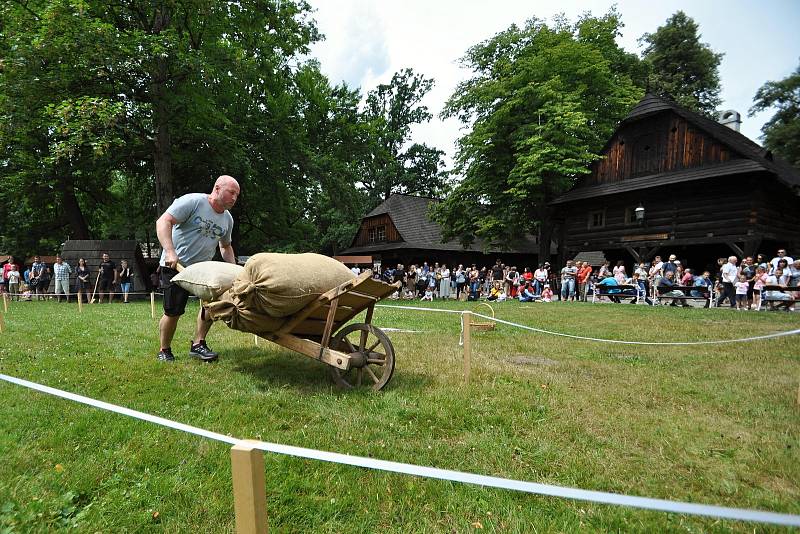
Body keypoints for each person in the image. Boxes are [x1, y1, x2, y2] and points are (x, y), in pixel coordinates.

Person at [155, 175, 240, 362]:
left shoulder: (228, 219)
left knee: (210, 306)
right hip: (175, 266)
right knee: (173, 311)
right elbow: (163, 221)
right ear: (217, 188)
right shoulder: (193, 201)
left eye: (237, 195)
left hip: (203, 270)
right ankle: (164, 349)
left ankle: (198, 344)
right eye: (231, 192)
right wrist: (170, 251)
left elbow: (225, 246)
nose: (234, 198)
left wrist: (235, 271)